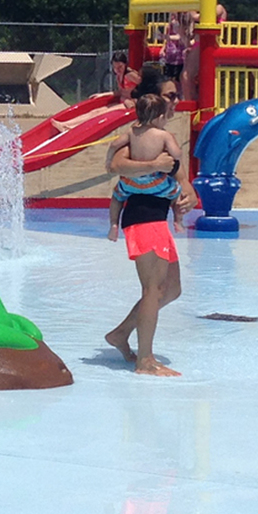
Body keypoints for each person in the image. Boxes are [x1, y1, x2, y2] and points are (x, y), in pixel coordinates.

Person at [103, 77, 197, 377]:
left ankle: (121, 333)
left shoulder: (163, 137)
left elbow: (181, 178)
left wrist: (189, 197)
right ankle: (145, 359)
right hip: (142, 217)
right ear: (153, 100)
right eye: (169, 96)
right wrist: (153, 166)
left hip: (158, 218)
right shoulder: (136, 137)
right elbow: (115, 166)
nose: (174, 101)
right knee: (152, 289)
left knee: (171, 289)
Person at [108, 93, 184, 242]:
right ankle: (178, 221)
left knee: (117, 197)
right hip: (156, 183)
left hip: (131, 182)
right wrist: (176, 152)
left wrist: (108, 160)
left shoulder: (132, 132)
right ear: (161, 117)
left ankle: (113, 225)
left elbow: (114, 145)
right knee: (176, 191)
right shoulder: (164, 135)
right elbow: (176, 154)